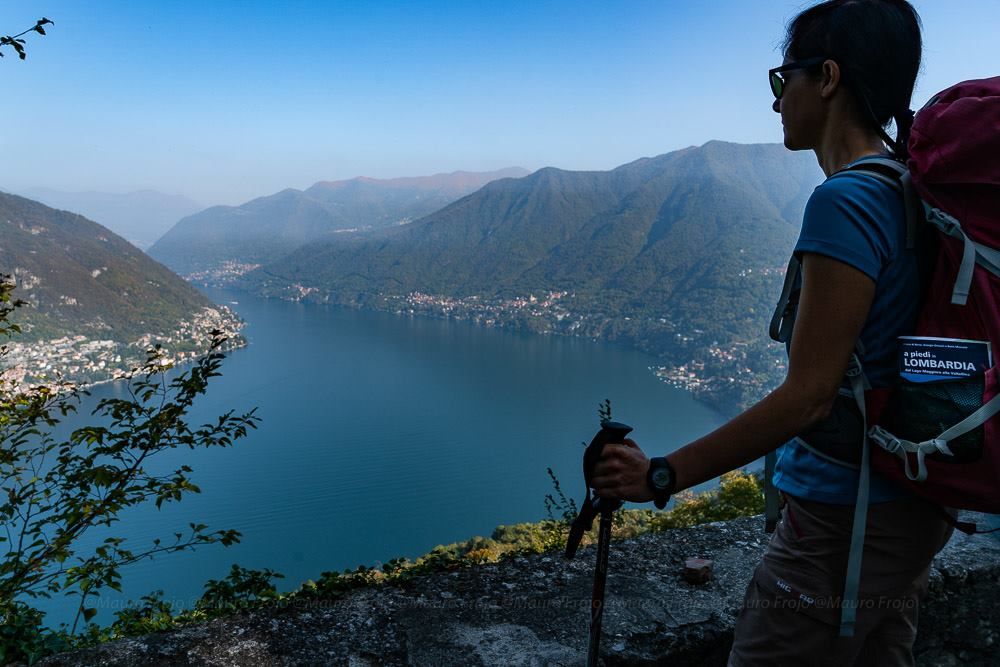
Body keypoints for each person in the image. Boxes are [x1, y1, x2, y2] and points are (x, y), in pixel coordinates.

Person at [591, 1, 954, 664]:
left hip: (840, 525)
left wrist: (663, 474)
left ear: (828, 78)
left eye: (782, 79)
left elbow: (808, 398)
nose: (776, 101)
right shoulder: (908, 188)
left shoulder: (846, 200)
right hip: (908, 508)